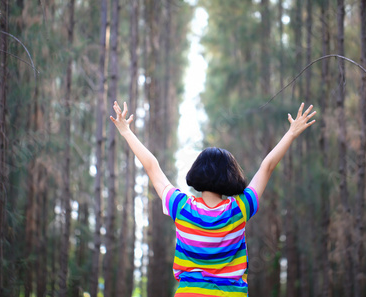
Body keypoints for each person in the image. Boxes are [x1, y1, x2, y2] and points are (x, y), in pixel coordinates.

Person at [110, 101, 316, 297]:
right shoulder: (239, 209)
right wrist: (291, 133)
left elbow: (152, 166)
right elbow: (267, 166)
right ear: (231, 175)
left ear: (197, 172)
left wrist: (126, 132)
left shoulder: (181, 207)